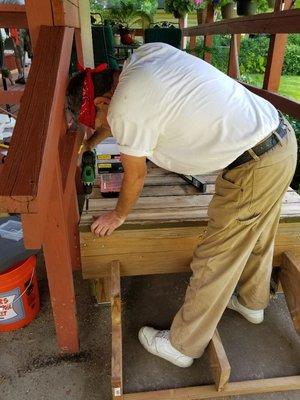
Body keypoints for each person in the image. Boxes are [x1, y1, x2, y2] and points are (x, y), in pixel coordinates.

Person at [67, 42, 297, 368]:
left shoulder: (124, 107)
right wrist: (91, 141)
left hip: (254, 165)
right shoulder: (141, 60)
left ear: (105, 100)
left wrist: (119, 215)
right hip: (279, 141)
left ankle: (183, 347)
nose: (104, 123)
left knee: (216, 257)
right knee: (258, 232)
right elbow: (119, 112)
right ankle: (252, 301)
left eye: (98, 117)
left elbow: (135, 176)